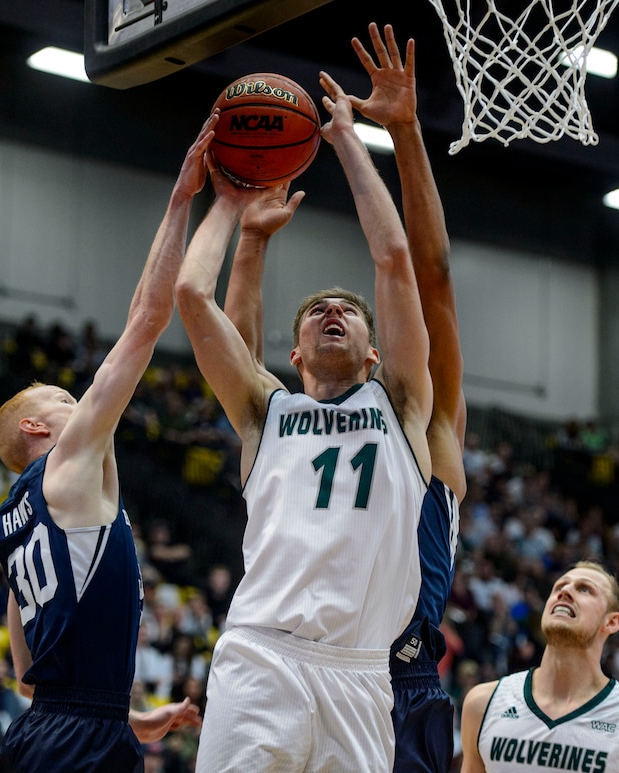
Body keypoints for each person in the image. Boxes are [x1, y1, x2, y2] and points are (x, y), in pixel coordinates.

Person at [175, 68, 434, 771]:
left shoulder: (401, 403)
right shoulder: (267, 411)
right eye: (318, 310)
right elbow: (193, 300)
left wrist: (349, 140)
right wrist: (230, 205)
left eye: (348, 311)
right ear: (292, 354)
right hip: (262, 655)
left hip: (359, 670)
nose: (333, 312)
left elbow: (395, 258)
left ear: (375, 351)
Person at [0, 117, 218, 772]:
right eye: (61, 399)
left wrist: (129, 716)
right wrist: (181, 199)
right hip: (81, 741)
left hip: (38, 738)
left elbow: (29, 675)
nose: (77, 403)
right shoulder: (67, 466)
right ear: (36, 428)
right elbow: (147, 318)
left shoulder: (10, 527)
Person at [348, 23, 467, 772]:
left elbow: (433, 275)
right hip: (320, 666)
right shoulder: (303, 435)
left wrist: (406, 134)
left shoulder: (434, 430)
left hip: (404, 685)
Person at [459, 561, 619, 773]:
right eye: (559, 587)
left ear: (611, 622)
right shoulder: (483, 703)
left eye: (585, 589)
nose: (565, 591)